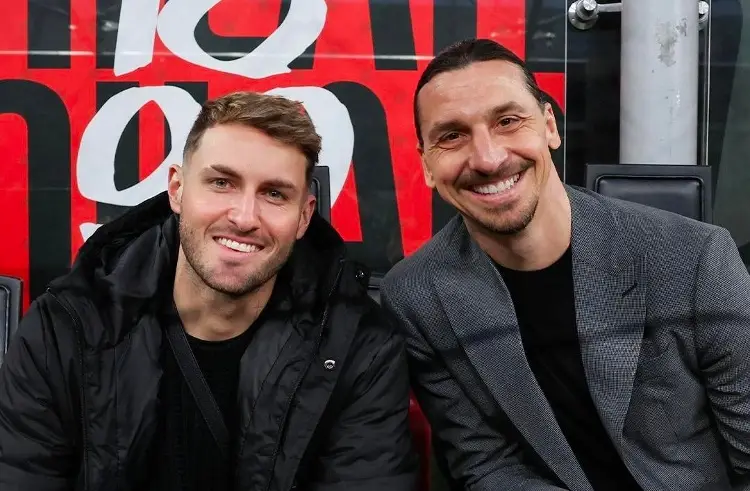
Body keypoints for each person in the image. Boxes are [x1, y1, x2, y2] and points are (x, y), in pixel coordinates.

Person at [0, 91, 418, 491]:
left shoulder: (358, 347)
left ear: (304, 216)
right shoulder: (68, 326)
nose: (244, 216)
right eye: (222, 183)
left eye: (274, 193)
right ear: (177, 189)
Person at [381, 38, 750, 491]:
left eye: (509, 121)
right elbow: (487, 466)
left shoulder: (696, 257)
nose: (488, 158)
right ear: (427, 165)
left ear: (549, 126)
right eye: (451, 136)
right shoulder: (416, 295)